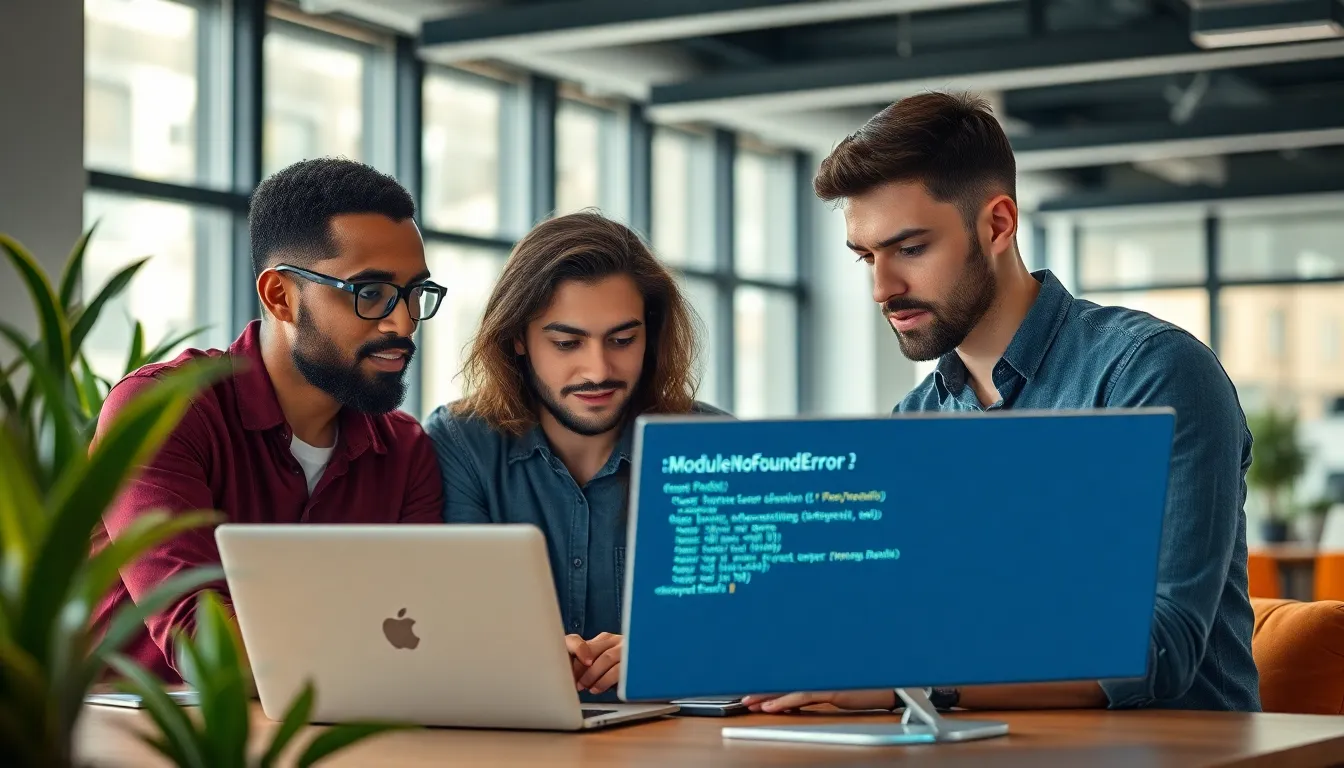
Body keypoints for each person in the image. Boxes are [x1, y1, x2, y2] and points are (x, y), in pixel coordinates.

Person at [742, 92, 1260, 714]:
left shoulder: (1150, 373)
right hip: (977, 744)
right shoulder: (915, 422)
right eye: (866, 257)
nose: (882, 288)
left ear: (997, 225)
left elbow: (1158, 647)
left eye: (910, 249)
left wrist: (917, 682)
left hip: (1180, 750)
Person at [92, 158, 447, 683]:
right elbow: (206, 647)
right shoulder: (164, 410)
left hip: (329, 723)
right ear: (280, 296)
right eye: (370, 293)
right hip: (140, 726)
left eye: (415, 293)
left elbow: (424, 628)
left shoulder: (404, 450)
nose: (404, 322)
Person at [424, 211, 725, 699]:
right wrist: (522, 653)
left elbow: (746, 625)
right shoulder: (461, 443)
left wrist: (667, 650)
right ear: (517, 338)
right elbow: (453, 621)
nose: (598, 370)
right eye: (567, 343)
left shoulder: (712, 446)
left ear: (650, 335)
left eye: (622, 340)